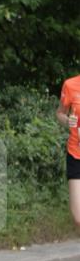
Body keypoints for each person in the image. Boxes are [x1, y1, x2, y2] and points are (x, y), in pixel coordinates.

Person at [56, 74, 80, 227]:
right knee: (78, 216)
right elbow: (60, 113)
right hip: (75, 153)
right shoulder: (70, 85)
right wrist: (67, 120)